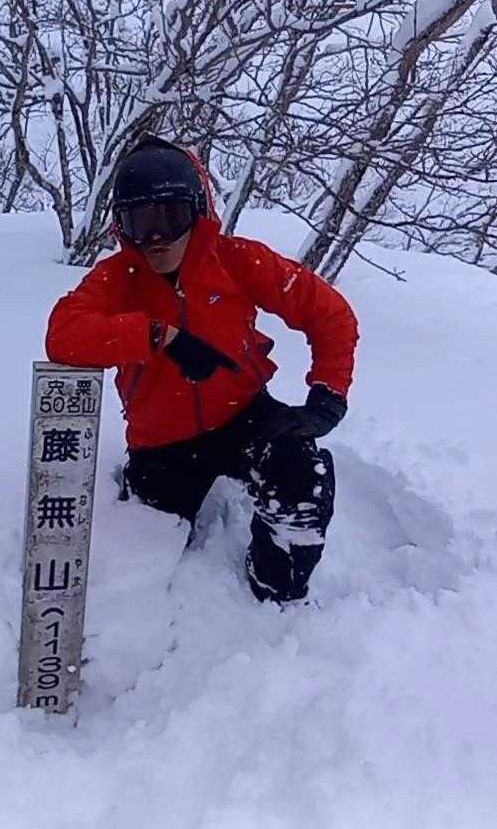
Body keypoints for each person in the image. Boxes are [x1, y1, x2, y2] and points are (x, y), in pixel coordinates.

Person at [45, 136, 359, 603]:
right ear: (121, 227)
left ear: (197, 211)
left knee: (301, 475)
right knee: (148, 543)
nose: (156, 238)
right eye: (139, 223)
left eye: (170, 217)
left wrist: (328, 393)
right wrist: (158, 335)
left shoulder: (237, 260)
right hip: (162, 441)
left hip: (243, 414)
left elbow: (330, 313)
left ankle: (275, 593)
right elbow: (63, 336)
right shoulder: (118, 278)